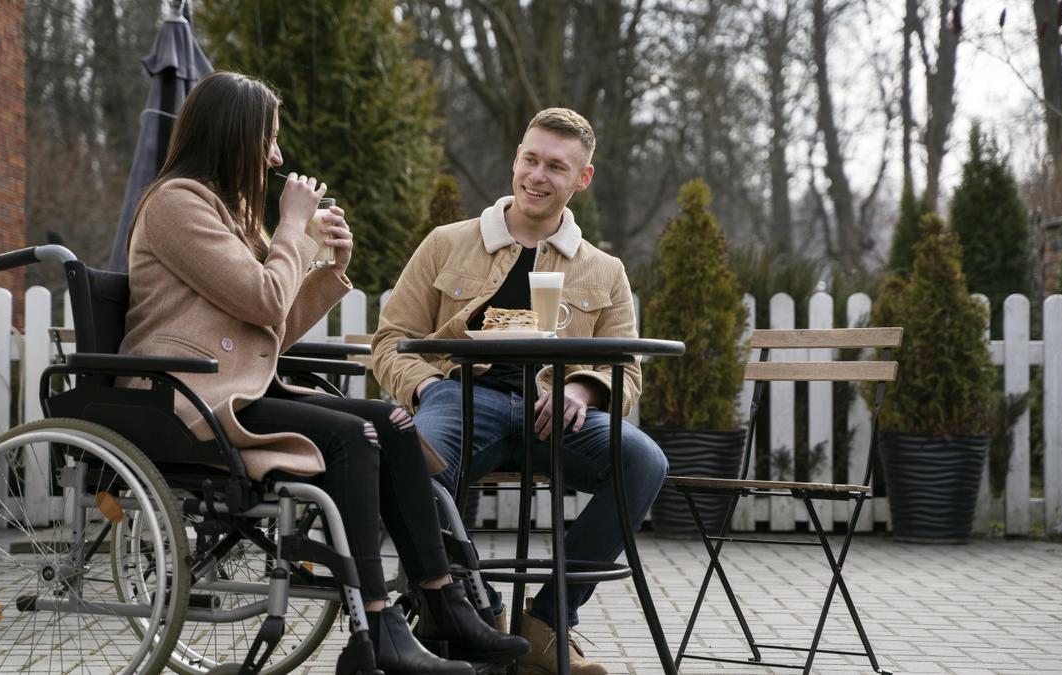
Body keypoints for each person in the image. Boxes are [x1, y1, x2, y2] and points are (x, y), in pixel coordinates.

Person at [117, 71, 528, 675]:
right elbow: (262, 300)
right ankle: (379, 625)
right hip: (187, 397)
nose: (278, 156)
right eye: (269, 140)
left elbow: (268, 335)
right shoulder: (177, 205)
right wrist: (290, 230)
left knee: (390, 420)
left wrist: (330, 269)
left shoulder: (222, 215)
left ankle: (444, 603)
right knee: (350, 435)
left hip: (230, 388)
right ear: (233, 137)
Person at [372, 108, 669, 675]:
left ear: (582, 179)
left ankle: (548, 625)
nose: (537, 175)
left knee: (643, 461)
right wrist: (431, 387)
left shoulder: (603, 270)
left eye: (556, 167)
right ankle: (464, 617)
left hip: (558, 418)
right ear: (515, 160)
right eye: (530, 160)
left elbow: (627, 369)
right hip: (462, 400)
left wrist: (582, 389)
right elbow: (390, 341)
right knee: (416, 460)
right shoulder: (446, 244)